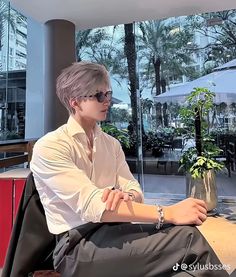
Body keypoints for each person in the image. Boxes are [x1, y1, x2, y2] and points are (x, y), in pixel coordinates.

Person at [30, 61, 229, 277]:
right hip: (76, 247)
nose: (108, 101)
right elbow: (92, 206)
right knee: (188, 242)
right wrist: (169, 212)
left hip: (115, 230)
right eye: (99, 96)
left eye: (108, 93)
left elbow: (134, 189)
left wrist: (126, 196)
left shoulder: (110, 144)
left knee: (185, 237)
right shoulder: (50, 146)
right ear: (75, 102)